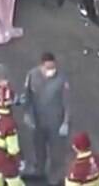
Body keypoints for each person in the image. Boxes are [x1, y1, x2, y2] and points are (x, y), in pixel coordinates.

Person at [23, 52, 71, 186]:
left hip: (55, 122)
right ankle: (39, 172)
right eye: (48, 68)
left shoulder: (61, 79)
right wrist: (27, 113)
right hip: (38, 121)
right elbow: (27, 96)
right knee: (38, 148)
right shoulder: (32, 75)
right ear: (41, 66)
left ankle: (54, 178)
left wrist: (65, 122)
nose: (51, 71)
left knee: (56, 152)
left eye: (53, 68)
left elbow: (67, 102)